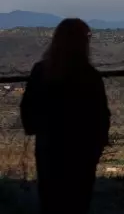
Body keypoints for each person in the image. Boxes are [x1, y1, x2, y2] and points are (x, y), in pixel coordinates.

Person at [20, 18, 111, 214]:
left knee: (51, 200)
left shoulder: (41, 71)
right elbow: (101, 116)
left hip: (49, 148)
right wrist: (98, 145)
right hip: (82, 151)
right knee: (78, 201)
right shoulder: (90, 75)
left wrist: (38, 129)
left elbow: (27, 108)